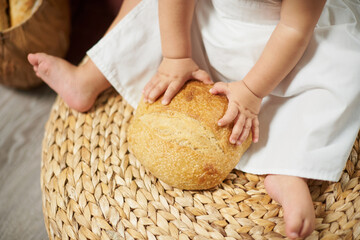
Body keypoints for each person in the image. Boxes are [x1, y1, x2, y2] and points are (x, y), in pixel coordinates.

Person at [28, 0, 360, 239]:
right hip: (202, 28)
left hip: (279, 60)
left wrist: (252, 91)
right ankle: (88, 80)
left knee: (343, 66)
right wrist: (176, 55)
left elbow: (294, 29)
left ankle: (289, 170)